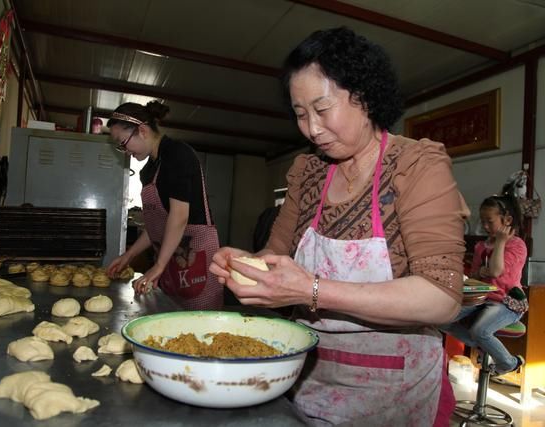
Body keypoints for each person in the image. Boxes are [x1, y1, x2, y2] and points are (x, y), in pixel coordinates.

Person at [209, 27, 469, 426]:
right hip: (310, 376)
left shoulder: (417, 166)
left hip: (395, 388)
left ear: (363, 97)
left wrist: (313, 290)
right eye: (300, 114)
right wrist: (246, 266)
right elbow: (276, 257)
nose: (311, 129)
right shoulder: (307, 173)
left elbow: (441, 298)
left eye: (322, 109)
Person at [106, 101, 222, 310]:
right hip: (171, 260)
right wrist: (129, 256)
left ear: (141, 130)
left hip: (196, 255)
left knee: (200, 325)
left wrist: (158, 265)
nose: (123, 151)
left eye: (123, 143)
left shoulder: (177, 154)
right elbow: (156, 227)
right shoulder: (148, 171)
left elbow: (179, 217)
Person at [441, 194, 528, 376]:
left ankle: (509, 363)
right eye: (483, 222)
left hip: (506, 302)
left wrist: (500, 242)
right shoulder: (481, 246)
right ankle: (481, 344)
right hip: (481, 299)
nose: (486, 227)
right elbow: (474, 275)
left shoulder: (517, 245)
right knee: (440, 318)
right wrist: (478, 273)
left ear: (507, 220)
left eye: (490, 221)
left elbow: (496, 271)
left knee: (480, 330)